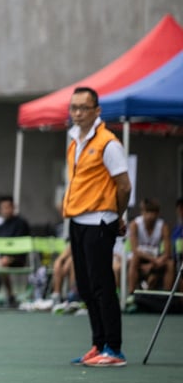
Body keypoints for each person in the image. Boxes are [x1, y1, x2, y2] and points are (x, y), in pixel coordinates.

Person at [64, 86, 131, 367]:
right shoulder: (73, 140)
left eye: (83, 108)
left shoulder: (109, 143)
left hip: (100, 222)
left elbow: (124, 186)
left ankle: (114, 348)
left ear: (97, 111)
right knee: (86, 287)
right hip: (77, 221)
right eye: (74, 108)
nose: (77, 113)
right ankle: (98, 343)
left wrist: (117, 215)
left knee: (103, 285)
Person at [127, 198, 172, 296]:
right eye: (147, 212)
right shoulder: (135, 224)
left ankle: (167, 297)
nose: (150, 216)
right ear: (142, 212)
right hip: (141, 258)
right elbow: (135, 250)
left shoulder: (163, 226)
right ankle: (132, 294)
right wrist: (154, 261)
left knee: (170, 264)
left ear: (157, 213)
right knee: (134, 259)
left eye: (153, 212)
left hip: (156, 258)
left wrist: (151, 265)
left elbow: (168, 252)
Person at [0, 195, 31, 304]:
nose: (5, 210)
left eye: (7, 207)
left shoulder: (21, 223)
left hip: (18, 259)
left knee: (1, 264)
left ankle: (10, 295)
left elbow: (21, 245)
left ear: (13, 207)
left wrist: (8, 258)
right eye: (2, 208)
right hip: (2, 260)